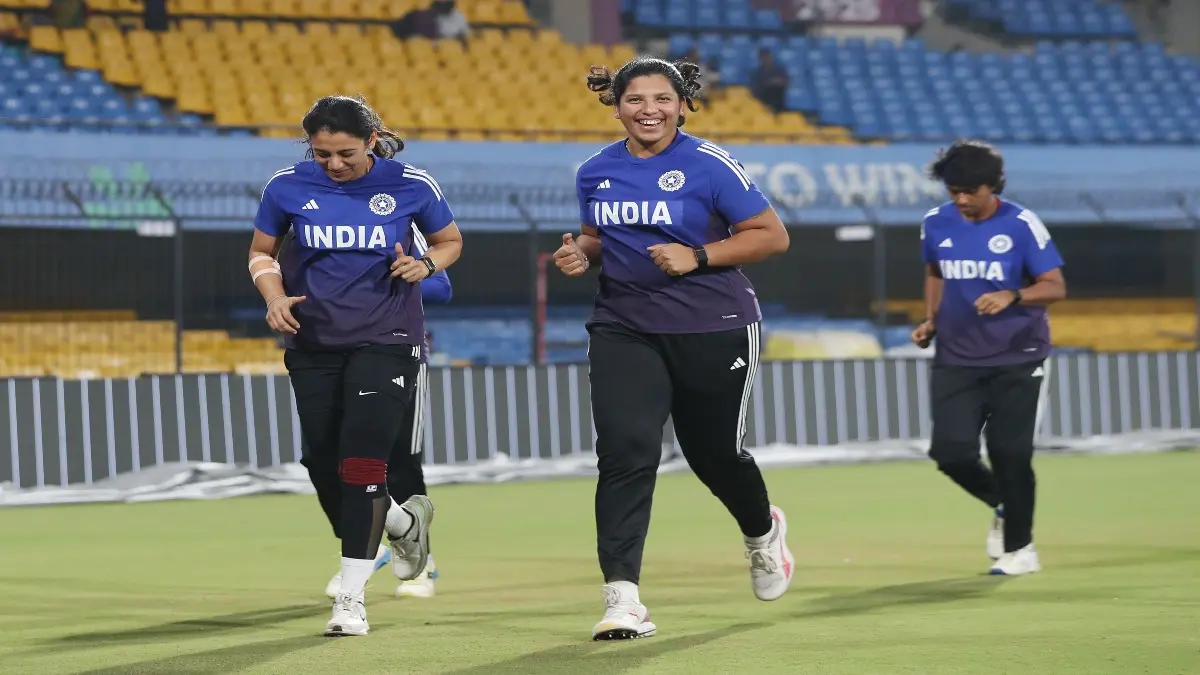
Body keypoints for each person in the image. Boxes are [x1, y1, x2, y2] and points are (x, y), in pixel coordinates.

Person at [553, 56, 795, 641]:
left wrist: (700, 256)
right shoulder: (595, 171)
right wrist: (583, 253)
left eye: (663, 99)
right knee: (625, 453)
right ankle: (623, 598)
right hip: (623, 325)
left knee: (712, 454)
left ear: (683, 103)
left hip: (715, 324)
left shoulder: (709, 164)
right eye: (636, 100)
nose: (649, 110)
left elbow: (771, 235)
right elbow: (599, 235)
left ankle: (763, 534)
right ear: (615, 105)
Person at [248, 94, 463, 636]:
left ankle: (350, 598)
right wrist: (272, 295)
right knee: (322, 461)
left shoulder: (411, 183)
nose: (334, 165)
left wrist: (426, 264)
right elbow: (261, 253)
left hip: (387, 339)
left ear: (371, 141)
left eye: (344, 153)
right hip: (313, 342)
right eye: (322, 155)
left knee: (367, 463)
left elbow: (450, 241)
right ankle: (401, 522)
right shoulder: (287, 186)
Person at [911, 139, 1066, 576]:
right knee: (950, 453)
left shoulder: (1021, 224)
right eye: (953, 190)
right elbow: (936, 272)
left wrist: (1012, 295)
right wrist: (931, 320)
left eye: (969, 191)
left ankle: (1021, 549)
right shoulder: (935, 224)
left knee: (1009, 452)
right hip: (957, 357)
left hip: (1019, 356)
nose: (960, 200)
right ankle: (1003, 503)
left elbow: (1055, 286)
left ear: (992, 186)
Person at [320, 223, 450, 601]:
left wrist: (370, 290)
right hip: (336, 355)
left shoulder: (402, 217)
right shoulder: (314, 219)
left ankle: (422, 562)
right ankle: (370, 541)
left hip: (401, 355)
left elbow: (443, 287)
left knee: (402, 460)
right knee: (335, 457)